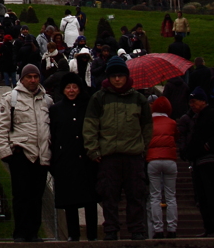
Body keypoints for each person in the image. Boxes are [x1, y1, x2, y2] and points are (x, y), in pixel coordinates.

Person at [83, 56, 152, 241]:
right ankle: (111, 230)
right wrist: (93, 150)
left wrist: (142, 149)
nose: (117, 79)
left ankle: (137, 230)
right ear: (109, 77)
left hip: (133, 156)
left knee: (136, 195)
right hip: (108, 157)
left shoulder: (139, 98)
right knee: (109, 196)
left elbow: (147, 127)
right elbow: (90, 126)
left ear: (126, 76)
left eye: (121, 75)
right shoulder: (99, 98)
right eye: (114, 76)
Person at [0, 64, 52, 243]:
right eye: (29, 77)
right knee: (21, 196)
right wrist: (5, 153)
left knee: (36, 197)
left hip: (42, 155)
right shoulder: (11, 99)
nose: (33, 80)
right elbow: (0, 127)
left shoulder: (48, 100)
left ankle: (33, 233)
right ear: (22, 78)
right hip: (21, 154)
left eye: (36, 77)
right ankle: (20, 233)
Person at [50, 73, 98, 242]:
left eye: (74, 87)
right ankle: (73, 234)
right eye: (68, 87)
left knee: (90, 200)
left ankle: (92, 235)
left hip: (87, 160)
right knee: (70, 201)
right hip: (66, 160)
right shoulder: (56, 109)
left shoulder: (88, 107)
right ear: (63, 90)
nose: (71, 91)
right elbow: (53, 137)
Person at [182, 87, 214, 237]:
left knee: (212, 194)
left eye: (194, 102)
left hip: (209, 161)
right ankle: (208, 227)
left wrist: (208, 145)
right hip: (197, 161)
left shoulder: (213, 114)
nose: (191, 105)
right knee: (202, 196)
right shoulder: (196, 117)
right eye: (190, 103)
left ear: (203, 101)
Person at [146, 96, 178, 239]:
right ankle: (172, 228)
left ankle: (157, 229)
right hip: (170, 160)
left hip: (153, 159)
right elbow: (176, 137)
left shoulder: (148, 123)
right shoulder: (172, 123)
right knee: (171, 196)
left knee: (155, 196)